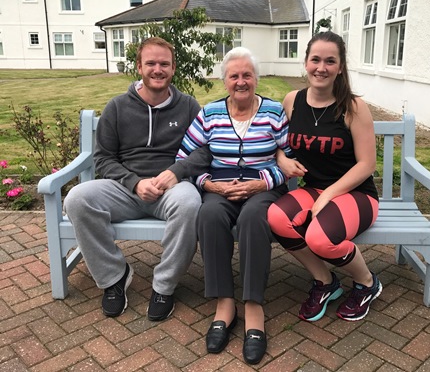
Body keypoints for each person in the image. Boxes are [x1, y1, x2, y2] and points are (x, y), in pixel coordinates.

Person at [64, 37, 210, 321]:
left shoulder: (189, 106)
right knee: (77, 199)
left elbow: (204, 151)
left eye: (164, 64)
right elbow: (103, 158)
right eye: (151, 63)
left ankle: (164, 286)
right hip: (125, 190)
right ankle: (114, 277)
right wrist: (134, 182)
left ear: (173, 68)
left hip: (171, 189)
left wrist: (175, 173)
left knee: (190, 203)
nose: (158, 69)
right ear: (139, 67)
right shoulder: (117, 107)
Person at [176, 47, 290, 365]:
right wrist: (208, 184)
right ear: (225, 80)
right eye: (234, 76)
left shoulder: (272, 111)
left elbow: (292, 160)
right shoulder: (210, 113)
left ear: (256, 78)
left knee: (255, 217)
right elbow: (185, 158)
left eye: (247, 75)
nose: (241, 81)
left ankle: (253, 307)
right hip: (219, 186)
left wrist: (263, 182)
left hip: (263, 186)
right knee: (209, 214)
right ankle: (225, 304)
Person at [268, 31, 382, 323]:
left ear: (340, 67)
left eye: (330, 61)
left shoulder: (353, 107)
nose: (321, 67)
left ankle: (367, 282)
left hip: (357, 193)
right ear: (305, 63)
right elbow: (279, 146)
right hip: (314, 189)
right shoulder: (293, 100)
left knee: (320, 239)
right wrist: (282, 160)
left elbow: (367, 164)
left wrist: (330, 195)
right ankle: (325, 281)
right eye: (315, 59)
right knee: (277, 218)